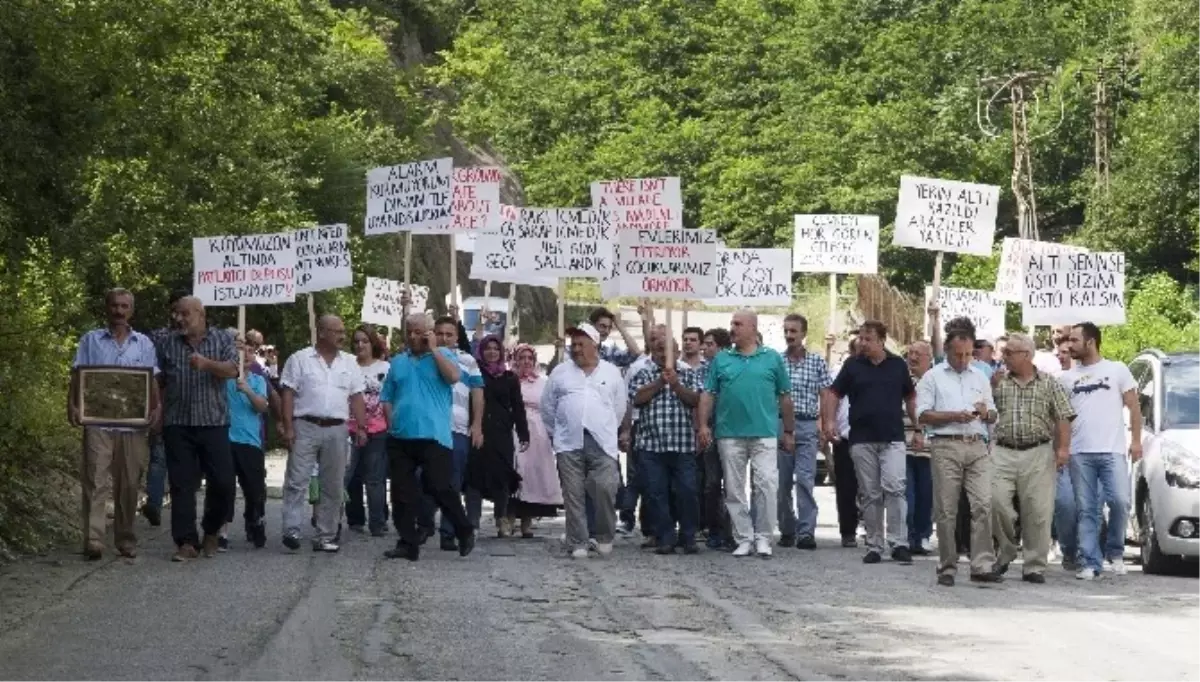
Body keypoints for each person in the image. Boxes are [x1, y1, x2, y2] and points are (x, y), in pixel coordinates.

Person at [69, 288, 160, 560]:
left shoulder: (144, 343)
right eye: (114, 306)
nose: (119, 311)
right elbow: (77, 374)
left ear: (131, 310)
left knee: (129, 483)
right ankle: (94, 540)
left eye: (124, 306)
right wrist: (72, 405)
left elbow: (152, 379)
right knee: (95, 480)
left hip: (133, 426)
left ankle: (125, 538)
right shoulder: (90, 340)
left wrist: (157, 408)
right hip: (98, 423)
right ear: (106, 308)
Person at [698, 311, 793, 558]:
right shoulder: (721, 359)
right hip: (729, 433)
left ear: (752, 327)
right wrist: (703, 425)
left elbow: (785, 395)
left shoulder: (772, 358)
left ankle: (763, 537)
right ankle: (743, 538)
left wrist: (789, 431)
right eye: (732, 323)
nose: (733, 328)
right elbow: (708, 394)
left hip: (764, 433)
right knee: (733, 488)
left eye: (738, 324)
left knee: (766, 485)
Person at [380, 313, 475, 561]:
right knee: (400, 492)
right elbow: (387, 396)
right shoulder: (398, 362)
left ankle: (463, 528)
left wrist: (435, 350)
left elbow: (454, 378)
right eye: (409, 331)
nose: (412, 336)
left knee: (439, 486)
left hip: (434, 435)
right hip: (401, 436)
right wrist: (391, 423)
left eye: (418, 331)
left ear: (429, 333)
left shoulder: (444, 356)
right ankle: (407, 543)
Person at [822, 321, 916, 565]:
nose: (863, 343)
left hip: (893, 437)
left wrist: (918, 426)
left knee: (895, 488)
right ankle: (874, 545)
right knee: (870, 493)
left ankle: (899, 543)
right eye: (861, 338)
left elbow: (910, 395)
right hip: (861, 439)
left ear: (882, 340)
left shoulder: (898, 365)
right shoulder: (852, 365)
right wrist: (829, 422)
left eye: (868, 339)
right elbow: (834, 393)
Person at [154, 296, 239, 561]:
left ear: (201, 315)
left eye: (184, 314)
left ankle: (211, 531)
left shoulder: (222, 339)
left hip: (213, 422)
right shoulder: (166, 341)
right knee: (181, 485)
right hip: (177, 422)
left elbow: (234, 370)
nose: (178, 319)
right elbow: (157, 380)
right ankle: (186, 542)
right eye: (175, 314)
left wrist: (207, 364)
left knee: (224, 482)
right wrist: (156, 411)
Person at [917, 330, 1004, 586]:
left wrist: (986, 413)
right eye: (959, 354)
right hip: (946, 444)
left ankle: (982, 564)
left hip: (977, 445)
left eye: (969, 354)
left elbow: (994, 414)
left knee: (983, 504)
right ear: (947, 350)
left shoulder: (980, 376)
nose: (965, 359)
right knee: (947, 508)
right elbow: (922, 415)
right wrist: (953, 415)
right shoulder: (932, 377)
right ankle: (947, 565)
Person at [991, 332, 1076, 584]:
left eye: (1009, 353)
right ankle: (1005, 552)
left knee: (1038, 511)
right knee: (995, 502)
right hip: (1003, 450)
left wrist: (1063, 449)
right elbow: (985, 412)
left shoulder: (1049, 383)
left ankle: (1034, 566)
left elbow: (1063, 416)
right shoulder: (999, 382)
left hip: (1038, 452)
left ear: (1026, 355)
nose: (1003, 357)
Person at [278, 315, 367, 553]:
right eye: (336, 331)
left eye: (342, 331)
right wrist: (287, 427)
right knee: (297, 480)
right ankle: (292, 530)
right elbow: (287, 393)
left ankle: (326, 535)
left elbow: (357, 395)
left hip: (338, 428)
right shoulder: (300, 359)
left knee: (334, 484)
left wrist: (361, 426)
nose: (342, 335)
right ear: (322, 332)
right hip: (305, 425)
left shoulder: (350, 362)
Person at [1060, 322, 1141, 580]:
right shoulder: (1066, 379)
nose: (1068, 345)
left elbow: (1134, 408)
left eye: (1073, 340)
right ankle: (1089, 562)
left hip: (1113, 450)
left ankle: (1115, 552)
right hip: (1079, 453)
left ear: (1090, 341)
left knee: (1120, 501)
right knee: (1087, 509)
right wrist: (1061, 449)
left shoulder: (1117, 370)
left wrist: (1136, 441)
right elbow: (1060, 419)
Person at [542, 323, 627, 559]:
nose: (576, 349)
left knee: (605, 487)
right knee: (573, 493)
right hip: (568, 442)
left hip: (601, 442)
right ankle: (578, 541)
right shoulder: (560, 372)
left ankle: (604, 535)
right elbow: (547, 407)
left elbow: (619, 408)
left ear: (595, 344)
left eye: (581, 344)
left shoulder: (611, 372)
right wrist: (558, 433)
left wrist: (608, 429)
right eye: (574, 344)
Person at [629, 336, 703, 554]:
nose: (664, 354)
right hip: (651, 443)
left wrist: (676, 384)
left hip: (682, 443)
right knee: (655, 492)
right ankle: (665, 536)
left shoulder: (689, 372)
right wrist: (660, 382)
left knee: (688, 490)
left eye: (669, 350)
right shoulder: (643, 372)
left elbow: (695, 400)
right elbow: (636, 398)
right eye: (660, 349)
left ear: (678, 352)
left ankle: (688, 536)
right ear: (653, 350)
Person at [465, 334, 530, 538]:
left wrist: (523, 433)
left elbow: (518, 406)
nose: (491, 352)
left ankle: (501, 520)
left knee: (502, 477)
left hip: (502, 433)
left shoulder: (509, 377)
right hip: (478, 429)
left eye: (495, 348)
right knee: (474, 477)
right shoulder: (474, 374)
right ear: (481, 351)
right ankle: (472, 522)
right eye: (487, 348)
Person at [777, 314, 832, 551]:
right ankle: (787, 529)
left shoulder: (817, 362)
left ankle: (806, 531)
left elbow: (826, 394)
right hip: (781, 425)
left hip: (808, 425)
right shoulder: (776, 361)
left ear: (803, 334)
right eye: (786, 331)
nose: (789, 335)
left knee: (806, 480)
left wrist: (826, 425)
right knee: (782, 482)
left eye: (794, 331)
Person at [433, 315, 484, 552]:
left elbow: (477, 392)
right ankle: (421, 524)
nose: (444, 338)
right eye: (440, 333)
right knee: (427, 479)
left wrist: (477, 424)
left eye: (449, 334)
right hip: (430, 428)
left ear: (456, 336)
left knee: (453, 482)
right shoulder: (427, 358)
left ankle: (448, 532)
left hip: (458, 427)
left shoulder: (468, 360)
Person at [506, 344, 563, 537]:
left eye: (530, 358)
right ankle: (508, 518)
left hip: (537, 433)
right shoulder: (509, 380)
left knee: (533, 475)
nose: (526, 362)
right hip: (515, 428)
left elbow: (550, 406)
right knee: (516, 471)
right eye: (522, 358)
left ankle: (527, 521)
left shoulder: (543, 382)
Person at [344, 325, 392, 537]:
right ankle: (354, 519)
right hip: (349, 427)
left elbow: (390, 398)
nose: (360, 345)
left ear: (373, 343)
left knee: (375, 478)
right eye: (356, 341)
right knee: (350, 476)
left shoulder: (385, 367)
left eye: (364, 340)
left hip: (378, 428)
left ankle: (378, 522)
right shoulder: (347, 366)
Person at [224, 342, 270, 549]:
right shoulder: (222, 380)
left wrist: (248, 390)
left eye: (251, 351)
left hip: (250, 441)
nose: (247, 355)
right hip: (225, 439)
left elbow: (261, 407)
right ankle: (221, 530)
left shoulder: (258, 380)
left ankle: (255, 519)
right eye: (242, 351)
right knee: (223, 487)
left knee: (255, 488)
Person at [697, 328, 733, 549]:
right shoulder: (701, 371)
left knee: (732, 484)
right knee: (711, 484)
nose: (705, 348)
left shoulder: (731, 368)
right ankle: (714, 528)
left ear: (721, 347)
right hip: (710, 431)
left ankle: (731, 532)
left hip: (730, 432)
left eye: (710, 344)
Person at [904, 340, 934, 555]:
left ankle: (922, 536)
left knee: (927, 495)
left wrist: (921, 431)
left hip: (931, 447)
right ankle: (907, 536)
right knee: (907, 494)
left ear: (929, 358)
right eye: (910, 353)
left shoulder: (936, 381)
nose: (912, 357)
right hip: (903, 445)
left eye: (918, 354)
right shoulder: (901, 381)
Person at [830, 336, 860, 548]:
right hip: (845, 437)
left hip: (870, 437)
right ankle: (848, 531)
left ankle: (872, 528)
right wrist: (829, 426)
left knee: (871, 488)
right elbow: (831, 398)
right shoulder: (840, 372)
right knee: (846, 487)